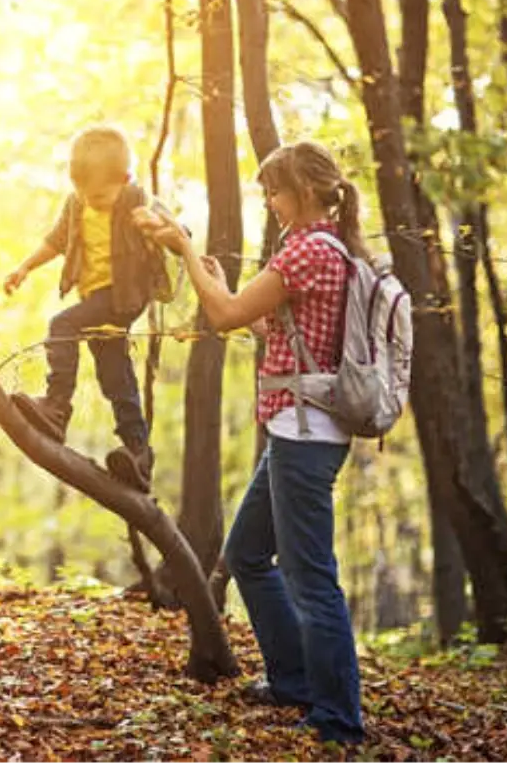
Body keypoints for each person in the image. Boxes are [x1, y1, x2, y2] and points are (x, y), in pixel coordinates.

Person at [146, 140, 366, 745]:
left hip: (306, 436)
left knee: (311, 576)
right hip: (292, 431)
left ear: (306, 190)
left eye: (275, 190)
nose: (269, 202)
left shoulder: (312, 250)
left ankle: (340, 720)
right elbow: (265, 323)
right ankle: (294, 680)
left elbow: (222, 317)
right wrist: (218, 283)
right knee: (246, 554)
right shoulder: (314, 249)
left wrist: (186, 249)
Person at [3, 126, 180, 490]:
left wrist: (156, 224)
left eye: (100, 196)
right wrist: (24, 268)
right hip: (96, 298)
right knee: (114, 374)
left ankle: (56, 408)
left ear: (124, 180)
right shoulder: (76, 203)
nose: (91, 201)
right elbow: (55, 243)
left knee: (62, 325)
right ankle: (138, 452)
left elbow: (181, 236)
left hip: (124, 296)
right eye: (84, 193)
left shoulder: (137, 199)